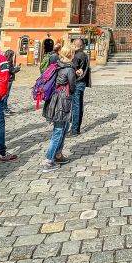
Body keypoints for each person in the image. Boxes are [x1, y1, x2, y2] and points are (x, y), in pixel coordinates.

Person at [42, 44, 77, 172]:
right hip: (62, 101)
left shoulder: (57, 65)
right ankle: (48, 161)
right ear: (71, 55)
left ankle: (58, 155)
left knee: (63, 128)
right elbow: (72, 86)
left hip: (54, 99)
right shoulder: (70, 68)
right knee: (58, 131)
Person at [69, 38, 91, 136]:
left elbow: (72, 71)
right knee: (79, 106)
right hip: (81, 82)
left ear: (75, 45)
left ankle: (74, 129)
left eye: (72, 45)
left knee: (76, 107)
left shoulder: (77, 56)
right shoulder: (84, 55)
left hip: (77, 82)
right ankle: (76, 128)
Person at [3, 49, 18, 114]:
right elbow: (11, 70)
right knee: (6, 95)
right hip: (8, 79)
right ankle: (4, 109)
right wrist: (17, 69)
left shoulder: (4, 60)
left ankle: (4, 108)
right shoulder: (8, 62)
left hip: (6, 79)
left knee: (5, 95)